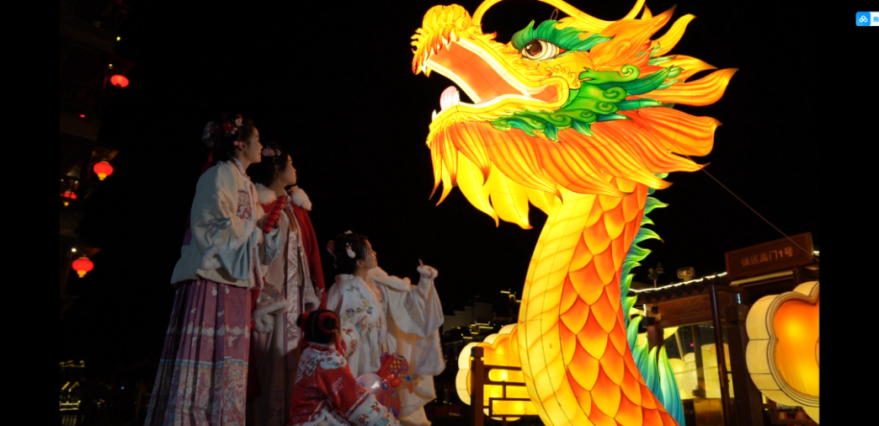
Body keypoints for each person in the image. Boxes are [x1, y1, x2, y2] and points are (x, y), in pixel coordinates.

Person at [145, 113, 282, 426]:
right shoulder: (218, 174)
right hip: (212, 278)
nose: (260, 145)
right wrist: (253, 230)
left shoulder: (246, 184)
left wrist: (266, 228)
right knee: (206, 357)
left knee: (229, 360)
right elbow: (209, 223)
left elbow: (252, 235)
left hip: (234, 282)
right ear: (240, 143)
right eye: (257, 139)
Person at [326, 232, 445, 426]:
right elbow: (329, 331)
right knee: (355, 405)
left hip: (379, 355)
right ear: (359, 262)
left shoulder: (379, 286)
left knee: (378, 404)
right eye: (370, 251)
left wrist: (425, 282)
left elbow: (408, 305)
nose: (375, 253)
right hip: (354, 357)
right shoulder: (340, 290)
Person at [246, 141, 327, 426]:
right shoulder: (261, 204)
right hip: (273, 300)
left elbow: (311, 255)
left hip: (298, 301)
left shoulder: (296, 209)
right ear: (277, 169)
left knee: (295, 364)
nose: (294, 168)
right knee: (270, 364)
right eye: (290, 163)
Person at [288, 309, 399, 426]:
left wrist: (358, 329)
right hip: (317, 419)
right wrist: (382, 420)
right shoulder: (330, 365)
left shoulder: (310, 352)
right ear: (336, 333)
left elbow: (338, 346)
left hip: (302, 416)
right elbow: (351, 397)